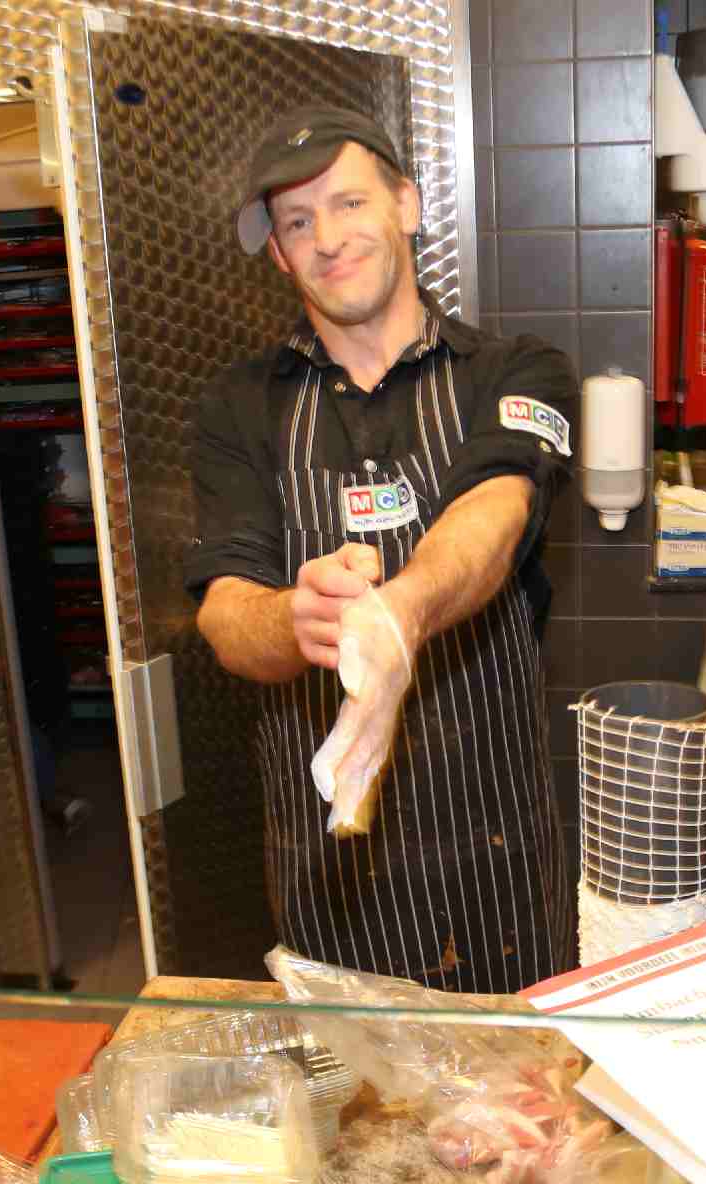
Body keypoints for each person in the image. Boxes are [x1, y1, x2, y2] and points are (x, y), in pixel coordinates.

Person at [184, 106, 576, 994]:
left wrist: (399, 614)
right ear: (278, 253)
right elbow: (225, 613)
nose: (327, 239)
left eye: (349, 202)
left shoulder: (514, 371)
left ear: (406, 203)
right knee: (351, 1085)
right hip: (332, 877)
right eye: (297, 221)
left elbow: (495, 508)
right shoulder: (239, 408)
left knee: (524, 1084)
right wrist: (297, 620)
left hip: (499, 867)